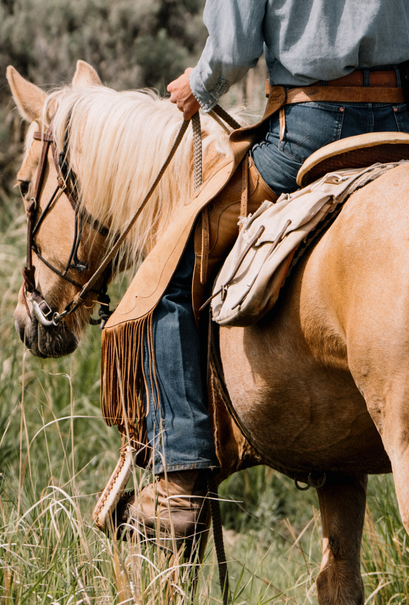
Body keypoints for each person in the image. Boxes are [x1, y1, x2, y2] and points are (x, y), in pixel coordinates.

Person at [117, 0, 409, 544]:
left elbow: (231, 48)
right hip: (400, 119)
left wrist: (198, 86)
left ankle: (179, 479)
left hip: (310, 128)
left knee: (169, 277)